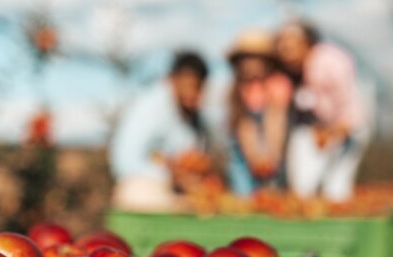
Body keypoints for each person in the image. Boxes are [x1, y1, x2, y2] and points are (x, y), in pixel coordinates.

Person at [109, 51, 217, 212]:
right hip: (150, 188)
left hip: (184, 194)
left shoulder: (197, 120)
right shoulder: (149, 108)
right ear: (172, 80)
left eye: (198, 87)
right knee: (134, 193)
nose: (192, 93)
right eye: (188, 86)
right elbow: (124, 161)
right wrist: (169, 177)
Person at [276, 21, 369, 202]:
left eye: (291, 43)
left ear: (307, 42)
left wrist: (341, 127)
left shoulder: (328, 60)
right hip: (321, 128)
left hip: (346, 126)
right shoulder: (296, 71)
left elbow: (348, 96)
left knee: (336, 187)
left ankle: (335, 225)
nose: (285, 49)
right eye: (282, 43)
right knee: (305, 187)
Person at [226, 29, 293, 196]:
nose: (251, 63)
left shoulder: (278, 84)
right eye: (246, 58)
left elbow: (276, 123)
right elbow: (244, 127)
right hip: (243, 151)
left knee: (272, 193)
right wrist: (254, 159)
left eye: (256, 58)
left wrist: (271, 160)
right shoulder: (237, 89)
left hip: (273, 147)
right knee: (244, 195)